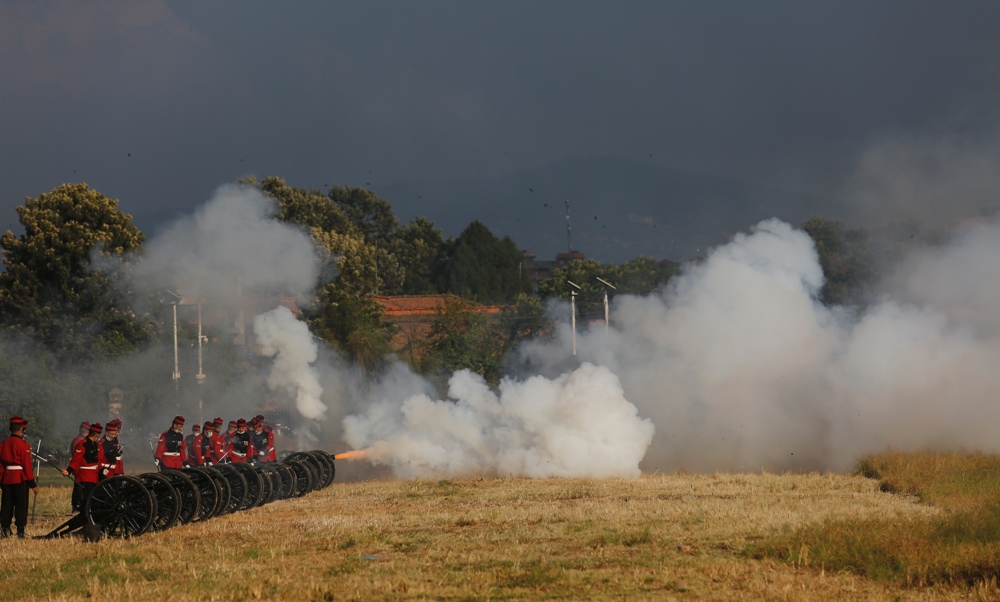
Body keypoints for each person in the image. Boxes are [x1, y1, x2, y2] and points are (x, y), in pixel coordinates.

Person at [0, 415, 38, 539]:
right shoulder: (24, 445)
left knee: (6, 505)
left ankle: (5, 529)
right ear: (21, 429)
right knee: (21, 505)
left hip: (6, 478)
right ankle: (20, 531)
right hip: (20, 478)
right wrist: (32, 483)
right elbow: (27, 465)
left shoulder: (3, 444)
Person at [63, 422, 106, 511]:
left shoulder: (97, 445)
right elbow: (76, 460)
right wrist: (69, 470)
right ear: (96, 435)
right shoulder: (82, 444)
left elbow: (100, 460)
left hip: (94, 475)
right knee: (87, 498)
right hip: (85, 476)